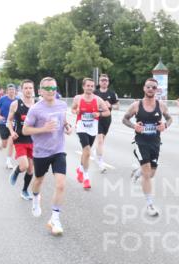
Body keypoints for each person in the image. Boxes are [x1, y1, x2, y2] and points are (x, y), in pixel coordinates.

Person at [22, 77, 72, 236]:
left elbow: (63, 120)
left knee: (61, 184)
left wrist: (67, 126)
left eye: (53, 88)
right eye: (47, 88)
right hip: (41, 152)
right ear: (40, 91)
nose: (51, 91)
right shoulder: (35, 109)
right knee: (38, 181)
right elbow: (25, 130)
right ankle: (36, 198)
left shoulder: (62, 104)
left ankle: (55, 218)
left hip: (58, 150)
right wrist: (43, 129)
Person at [121, 77, 172, 217]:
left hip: (155, 142)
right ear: (144, 88)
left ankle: (137, 172)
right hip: (141, 142)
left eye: (154, 87)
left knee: (151, 173)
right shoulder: (136, 105)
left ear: (157, 90)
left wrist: (165, 125)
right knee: (147, 173)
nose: (151, 89)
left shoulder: (161, 105)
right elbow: (124, 119)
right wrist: (134, 126)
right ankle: (150, 205)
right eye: (148, 87)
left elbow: (169, 118)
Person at [71, 78, 111, 190]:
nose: (90, 88)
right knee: (87, 151)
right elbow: (72, 109)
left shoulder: (98, 99)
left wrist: (99, 114)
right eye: (88, 85)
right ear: (83, 87)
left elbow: (107, 112)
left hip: (93, 128)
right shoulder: (78, 98)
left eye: (92, 86)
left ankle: (80, 168)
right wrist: (76, 111)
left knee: (85, 152)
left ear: (94, 87)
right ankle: (86, 177)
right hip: (81, 127)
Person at [7, 80, 37, 200]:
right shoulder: (15, 104)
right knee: (24, 166)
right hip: (19, 139)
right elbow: (9, 120)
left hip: (33, 140)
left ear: (33, 89)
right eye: (26, 88)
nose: (28, 90)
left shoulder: (37, 104)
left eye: (30, 88)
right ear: (22, 90)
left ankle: (24, 191)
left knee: (30, 169)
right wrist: (12, 132)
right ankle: (16, 171)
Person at [93, 73, 120, 173]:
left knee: (102, 140)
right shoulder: (95, 93)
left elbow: (118, 106)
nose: (104, 82)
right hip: (97, 118)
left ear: (108, 82)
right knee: (99, 140)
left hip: (107, 119)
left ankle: (97, 152)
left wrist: (111, 106)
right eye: (102, 80)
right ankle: (101, 163)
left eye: (106, 80)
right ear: (99, 82)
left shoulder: (112, 93)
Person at [0, 85, 18, 169]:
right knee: (5, 145)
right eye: (10, 90)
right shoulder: (3, 99)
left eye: (13, 89)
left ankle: (8, 162)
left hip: (14, 124)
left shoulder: (18, 100)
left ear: (15, 91)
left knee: (11, 143)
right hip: (3, 123)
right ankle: (1, 144)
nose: (11, 91)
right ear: (7, 91)